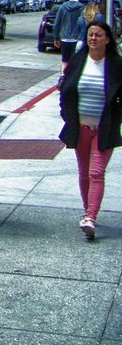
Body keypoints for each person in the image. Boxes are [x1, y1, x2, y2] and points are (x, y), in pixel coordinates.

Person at [58, 20, 122, 239]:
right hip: (81, 127)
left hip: (105, 128)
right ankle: (88, 212)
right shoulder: (79, 61)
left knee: (96, 172)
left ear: (107, 39)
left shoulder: (116, 64)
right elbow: (66, 89)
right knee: (85, 173)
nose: (93, 38)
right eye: (90, 35)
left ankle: (91, 217)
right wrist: (66, 116)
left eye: (98, 35)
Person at [54, 0, 86, 75]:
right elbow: (83, 23)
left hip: (64, 38)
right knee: (75, 61)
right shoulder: (82, 8)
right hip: (76, 38)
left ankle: (63, 77)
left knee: (65, 60)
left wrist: (56, 38)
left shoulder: (63, 7)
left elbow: (57, 23)